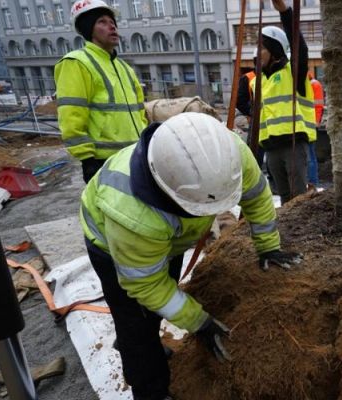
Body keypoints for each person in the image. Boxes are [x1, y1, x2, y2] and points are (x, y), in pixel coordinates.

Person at [80, 112, 302, 399]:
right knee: (136, 321)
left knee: (163, 295)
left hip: (163, 238)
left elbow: (257, 195)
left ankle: (150, 342)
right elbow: (146, 285)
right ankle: (150, 387)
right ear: (170, 194)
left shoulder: (227, 156)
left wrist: (268, 245)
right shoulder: (132, 215)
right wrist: (199, 322)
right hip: (111, 247)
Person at [55, 0, 146, 183]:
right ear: (89, 29)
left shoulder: (124, 67)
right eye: (102, 22)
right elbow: (71, 115)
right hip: (104, 161)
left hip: (135, 157)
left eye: (112, 22)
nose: (112, 27)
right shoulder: (77, 62)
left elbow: (140, 114)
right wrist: (87, 159)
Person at [250, 0, 316, 203]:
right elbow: (258, 120)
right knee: (285, 199)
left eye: (262, 48)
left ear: (275, 50)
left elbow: (300, 47)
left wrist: (285, 12)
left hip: (293, 145)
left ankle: (304, 235)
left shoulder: (293, 73)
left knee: (298, 199)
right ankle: (289, 234)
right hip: (271, 149)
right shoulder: (257, 82)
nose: (257, 53)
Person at [307, 72, 324, 188]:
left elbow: (318, 106)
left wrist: (316, 122)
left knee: (309, 155)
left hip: (309, 124)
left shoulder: (313, 84)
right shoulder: (311, 84)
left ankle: (312, 184)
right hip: (305, 123)